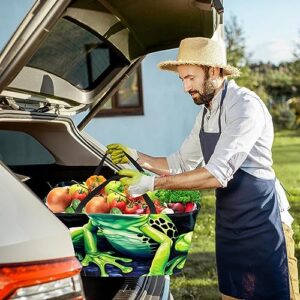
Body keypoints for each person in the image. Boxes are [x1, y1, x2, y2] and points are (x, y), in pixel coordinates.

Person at [106, 37, 299, 300]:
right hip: (230, 222)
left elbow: (218, 174)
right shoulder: (206, 113)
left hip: (265, 220)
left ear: (215, 71)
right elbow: (180, 163)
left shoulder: (244, 106)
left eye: (191, 78)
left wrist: (152, 184)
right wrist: (136, 156)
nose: (186, 87)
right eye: (182, 79)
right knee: (233, 295)